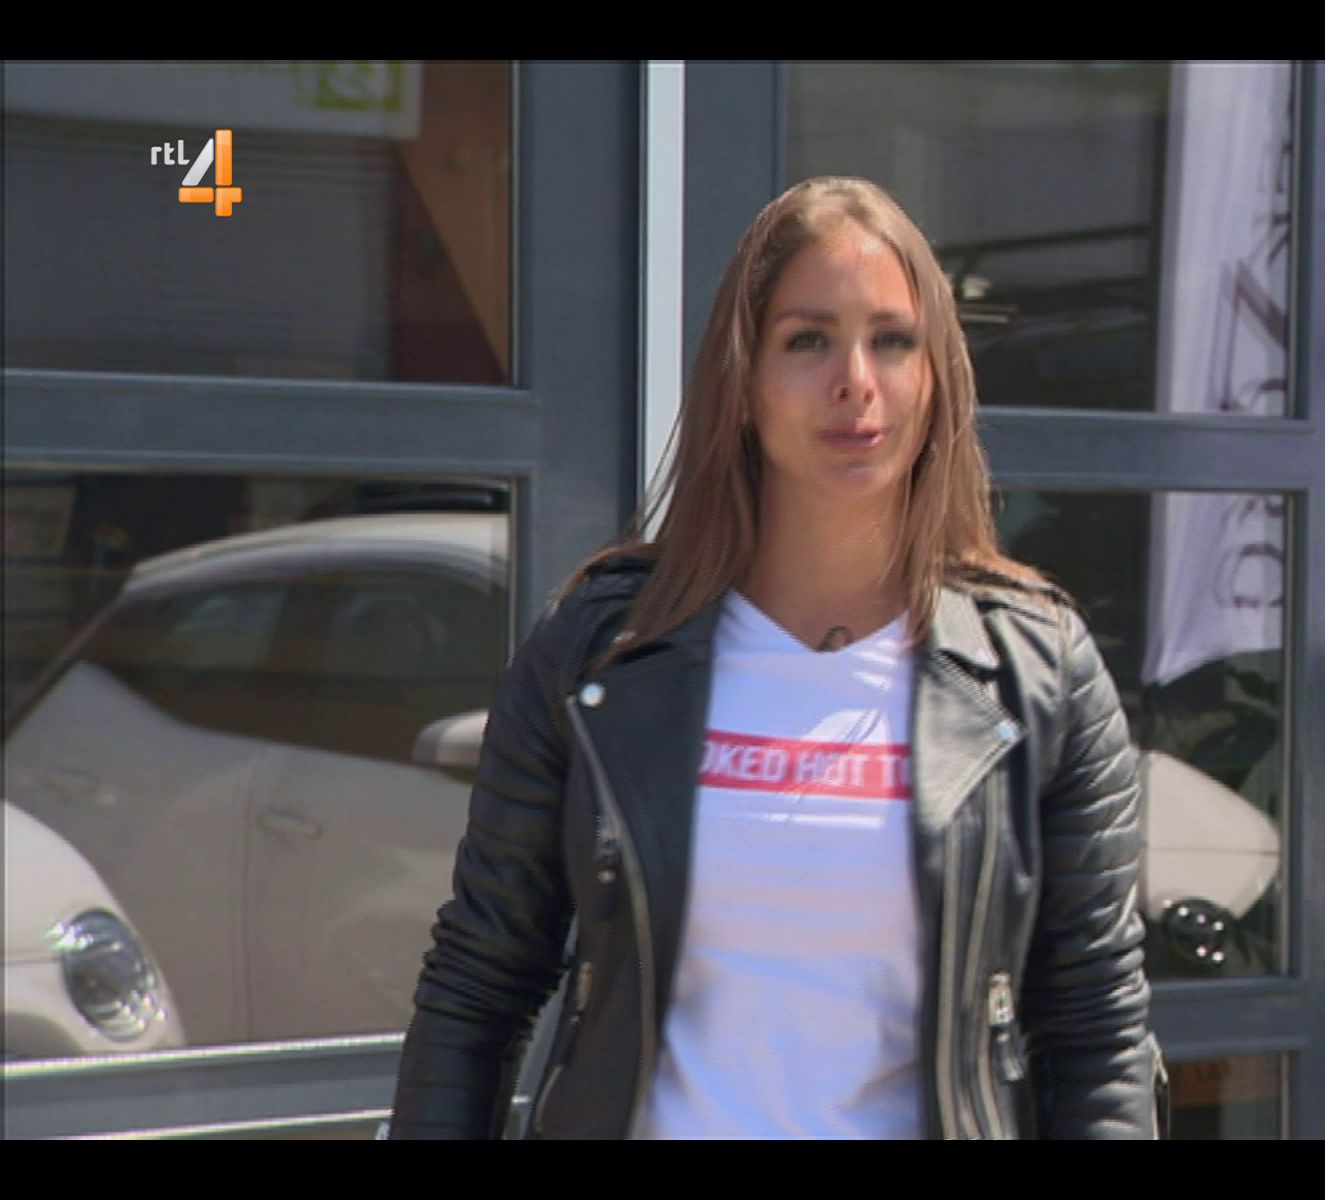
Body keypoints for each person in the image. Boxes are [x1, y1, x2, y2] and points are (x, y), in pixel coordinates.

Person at [387, 176, 1164, 1140]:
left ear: (936, 378)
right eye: (808, 341)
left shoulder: (1037, 671)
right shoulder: (601, 653)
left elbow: (1097, 1026)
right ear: (743, 381)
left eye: (893, 340)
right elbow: (479, 982)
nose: (856, 381)